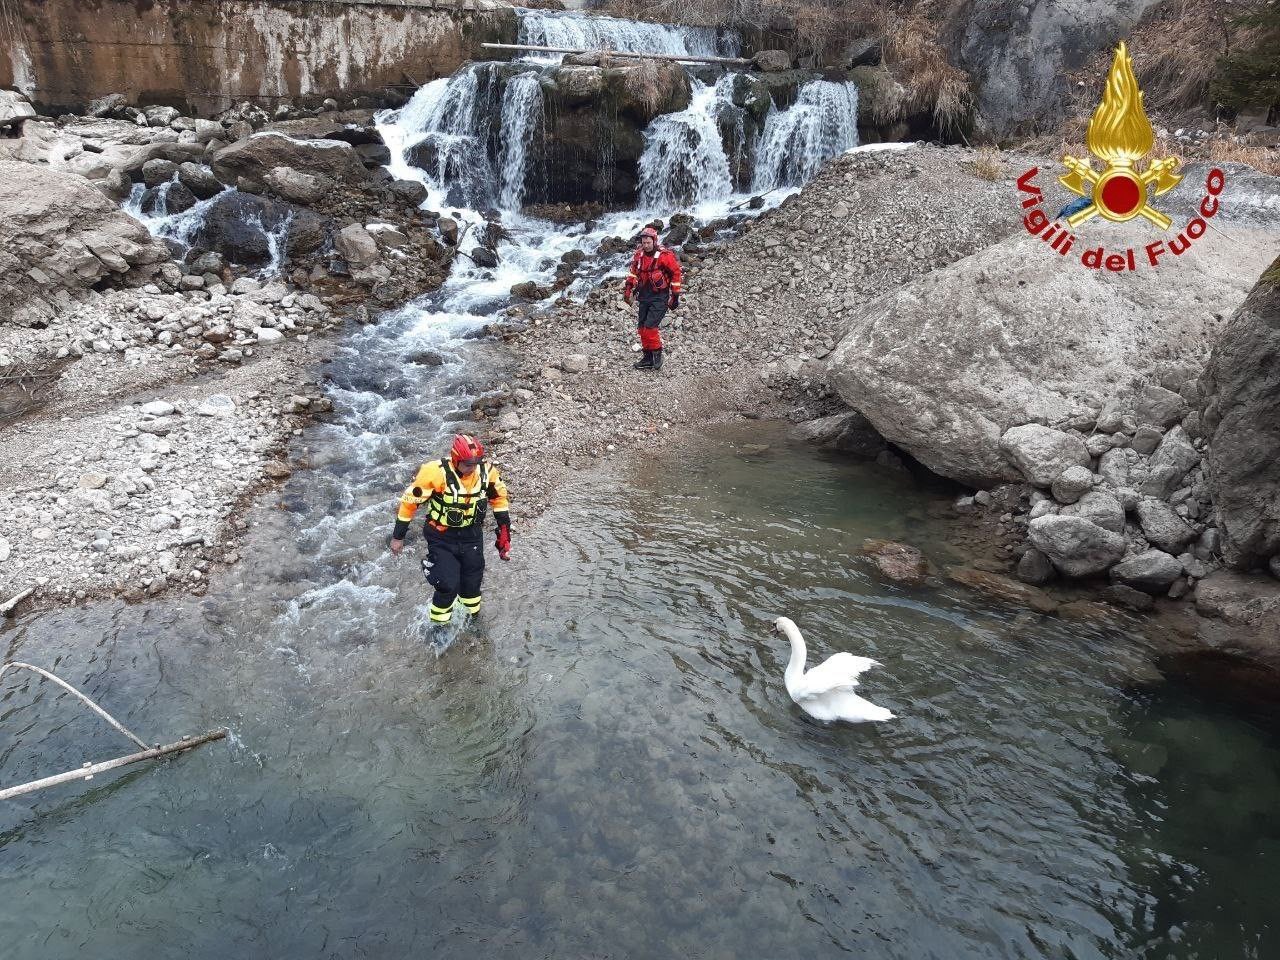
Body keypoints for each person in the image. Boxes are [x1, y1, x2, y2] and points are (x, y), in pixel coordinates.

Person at [390, 433, 511, 632]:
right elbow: (409, 504)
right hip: (441, 536)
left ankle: (472, 621)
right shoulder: (434, 473)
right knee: (448, 584)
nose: (472, 468)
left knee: (472, 582)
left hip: (472, 536)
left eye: (476, 462)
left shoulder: (487, 472)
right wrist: (398, 537)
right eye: (467, 464)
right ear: (455, 459)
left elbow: (499, 499)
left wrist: (504, 535)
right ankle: (438, 627)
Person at [623, 225, 683, 371]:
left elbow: (676, 274)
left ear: (654, 241)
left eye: (648, 242)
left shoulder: (665, 256)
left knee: (650, 327)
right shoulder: (639, 255)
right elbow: (633, 273)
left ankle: (657, 354)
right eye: (643, 243)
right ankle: (647, 357)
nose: (646, 245)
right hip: (644, 295)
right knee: (642, 328)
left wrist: (675, 296)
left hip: (659, 297)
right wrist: (628, 290)